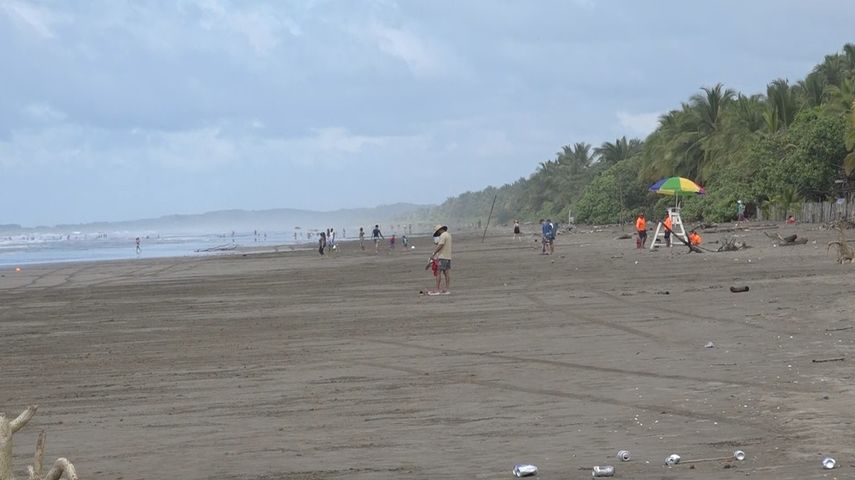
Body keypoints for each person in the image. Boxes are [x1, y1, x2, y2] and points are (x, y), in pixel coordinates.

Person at [430, 224, 452, 294]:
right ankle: (447, 289)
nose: (438, 234)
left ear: (439, 230)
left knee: (438, 272)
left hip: (442, 256)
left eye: (438, 232)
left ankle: (437, 290)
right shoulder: (448, 235)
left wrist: (434, 253)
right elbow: (442, 244)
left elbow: (441, 245)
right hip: (448, 256)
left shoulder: (442, 235)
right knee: (446, 273)